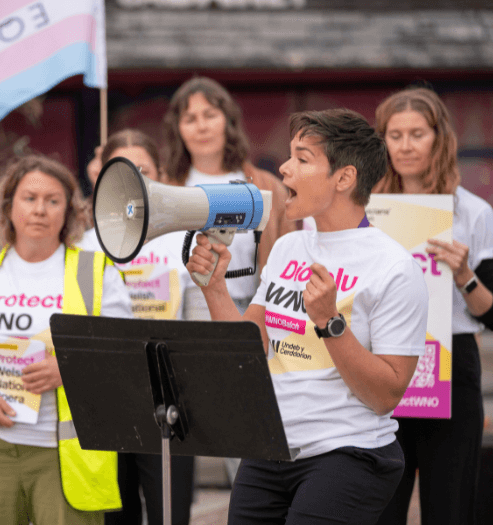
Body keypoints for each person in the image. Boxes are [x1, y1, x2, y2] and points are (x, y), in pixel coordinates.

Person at [186, 108, 429, 524]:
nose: (283, 168)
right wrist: (214, 289)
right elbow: (249, 351)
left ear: (344, 178)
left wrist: (330, 324)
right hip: (271, 448)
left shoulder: (395, 267)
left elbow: (386, 395)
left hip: (349, 454)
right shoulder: (288, 248)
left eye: (302, 158)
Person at [0, 154, 133, 525]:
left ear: (69, 212)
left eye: (53, 200)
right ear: (9, 207)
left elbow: (125, 354)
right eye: (29, 198)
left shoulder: (96, 271)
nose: (39, 210)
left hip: (65, 457)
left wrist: (70, 367)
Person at [373, 87, 493, 525]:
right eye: (395, 134)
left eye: (417, 134)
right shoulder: (366, 213)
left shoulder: (473, 213)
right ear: (382, 140)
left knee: (449, 509)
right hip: (382, 366)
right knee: (382, 509)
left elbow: (491, 313)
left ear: (438, 137)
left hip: (451, 365)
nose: (405, 145)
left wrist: (464, 275)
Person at [79, 129, 196, 525]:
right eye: (122, 171)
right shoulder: (82, 247)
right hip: (108, 401)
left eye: (142, 170)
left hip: (172, 401)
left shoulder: (184, 241)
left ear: (160, 173)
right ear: (102, 179)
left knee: (171, 515)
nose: (134, 182)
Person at [162, 76, 294, 318]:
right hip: (187, 309)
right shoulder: (165, 189)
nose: (201, 126)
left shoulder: (268, 186)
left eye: (210, 115)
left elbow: (290, 257)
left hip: (257, 308)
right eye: (190, 119)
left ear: (228, 121)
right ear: (177, 129)